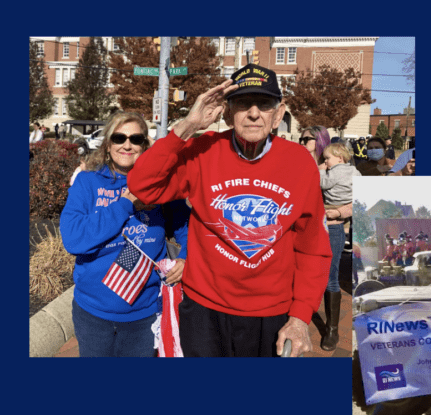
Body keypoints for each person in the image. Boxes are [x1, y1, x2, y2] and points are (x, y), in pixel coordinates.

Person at [127, 63, 332, 357]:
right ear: (226, 112)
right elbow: (143, 186)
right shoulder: (202, 150)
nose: (253, 113)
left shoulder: (300, 162)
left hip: (270, 313)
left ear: (278, 113)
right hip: (204, 309)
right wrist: (187, 126)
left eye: (263, 104)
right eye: (242, 104)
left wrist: (300, 317)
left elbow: (313, 248)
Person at [60, 111, 189, 357]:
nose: (127, 145)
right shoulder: (87, 183)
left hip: (144, 312)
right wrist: (125, 204)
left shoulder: (160, 185)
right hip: (93, 312)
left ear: (145, 146)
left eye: (136, 139)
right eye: (119, 138)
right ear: (108, 145)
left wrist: (187, 258)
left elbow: (188, 227)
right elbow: (74, 239)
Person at [318, 142, 360, 351]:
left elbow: (359, 201)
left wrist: (340, 213)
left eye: (328, 159)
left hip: (332, 227)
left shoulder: (331, 173)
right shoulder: (356, 172)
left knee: (330, 276)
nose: (325, 162)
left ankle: (332, 328)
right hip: (316, 226)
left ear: (339, 158)